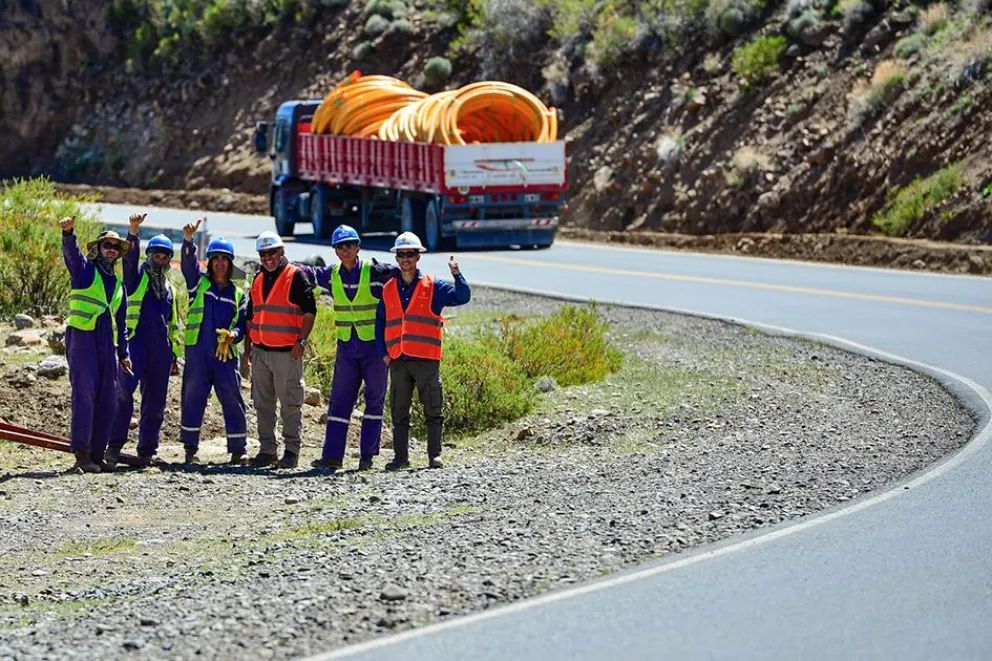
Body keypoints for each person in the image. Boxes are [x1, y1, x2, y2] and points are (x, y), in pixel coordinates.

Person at [294, 225, 399, 473]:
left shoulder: (375, 272)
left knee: (374, 400)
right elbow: (309, 271)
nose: (345, 250)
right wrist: (285, 262)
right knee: (339, 402)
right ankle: (332, 457)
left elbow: (404, 275)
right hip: (347, 348)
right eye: (340, 246)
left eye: (349, 245)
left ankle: (367, 456)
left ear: (358, 247)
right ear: (335, 250)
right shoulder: (332, 274)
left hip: (373, 348)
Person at [376, 232, 470, 470]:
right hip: (398, 359)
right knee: (399, 411)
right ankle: (400, 459)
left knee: (433, 409)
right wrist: (384, 354)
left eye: (410, 254)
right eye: (401, 254)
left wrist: (456, 274)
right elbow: (380, 323)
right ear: (396, 258)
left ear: (418, 256)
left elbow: (462, 296)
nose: (405, 258)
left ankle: (434, 456)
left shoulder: (434, 286)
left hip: (426, 359)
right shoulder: (388, 289)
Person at [106, 214, 181, 470]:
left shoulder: (170, 289)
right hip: (135, 345)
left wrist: (173, 356)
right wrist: (133, 232)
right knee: (123, 394)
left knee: (155, 402)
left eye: (164, 257)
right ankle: (113, 447)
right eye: (156, 255)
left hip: (160, 352)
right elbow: (129, 258)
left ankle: (146, 452)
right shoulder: (136, 276)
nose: (159, 260)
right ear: (149, 256)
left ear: (169, 260)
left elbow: (172, 325)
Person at [59, 216, 131, 473]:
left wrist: (124, 353)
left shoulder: (120, 286)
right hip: (83, 340)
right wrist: (69, 234)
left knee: (108, 399)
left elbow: (121, 324)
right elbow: (72, 256)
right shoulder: (85, 271)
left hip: (107, 347)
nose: (111, 249)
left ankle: (97, 455)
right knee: (85, 394)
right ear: (98, 249)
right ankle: (81, 454)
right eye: (106, 245)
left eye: (114, 246)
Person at [246, 231, 317, 469]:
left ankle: (291, 451)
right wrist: (248, 350)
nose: (268, 258)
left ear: (282, 252)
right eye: (263, 254)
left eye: (272, 252)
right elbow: (250, 316)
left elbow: (310, 311)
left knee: (290, 403)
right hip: (260, 352)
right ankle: (267, 450)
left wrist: (302, 342)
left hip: (287, 353)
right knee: (262, 404)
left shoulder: (296, 276)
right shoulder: (258, 278)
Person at [180, 219, 248, 464]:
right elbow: (188, 265)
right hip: (198, 352)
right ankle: (190, 448)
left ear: (230, 263)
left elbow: (243, 324)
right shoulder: (198, 283)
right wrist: (188, 241)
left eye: (224, 259)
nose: (220, 263)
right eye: (215, 258)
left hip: (224, 355)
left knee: (232, 397)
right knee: (193, 396)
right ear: (209, 262)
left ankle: (239, 449)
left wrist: (235, 336)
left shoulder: (238, 294)